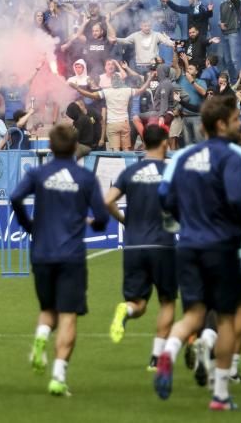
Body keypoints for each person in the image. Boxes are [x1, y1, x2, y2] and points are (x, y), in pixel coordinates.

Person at [153, 95, 241, 411]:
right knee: (227, 318)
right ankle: (220, 395)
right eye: (235, 121)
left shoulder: (184, 156)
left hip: (188, 244)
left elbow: (164, 196)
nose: (239, 126)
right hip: (222, 247)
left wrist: (184, 216)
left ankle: (168, 352)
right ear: (221, 124)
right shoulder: (231, 156)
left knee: (193, 314)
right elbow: (238, 199)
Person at [9, 123, 111, 396]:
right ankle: (58, 375)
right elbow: (102, 217)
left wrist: (28, 224)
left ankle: (41, 338)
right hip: (71, 256)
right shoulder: (85, 178)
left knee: (47, 310)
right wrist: (96, 224)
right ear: (76, 146)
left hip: (42, 252)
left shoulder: (39, 173)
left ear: (50, 147)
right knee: (68, 316)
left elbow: (16, 197)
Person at [104, 125, 176, 371]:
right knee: (167, 301)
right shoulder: (170, 172)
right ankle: (156, 358)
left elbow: (107, 201)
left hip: (134, 244)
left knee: (138, 303)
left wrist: (125, 220)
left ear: (143, 143)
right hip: (163, 245)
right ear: (165, 143)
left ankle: (127, 310)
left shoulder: (131, 171)